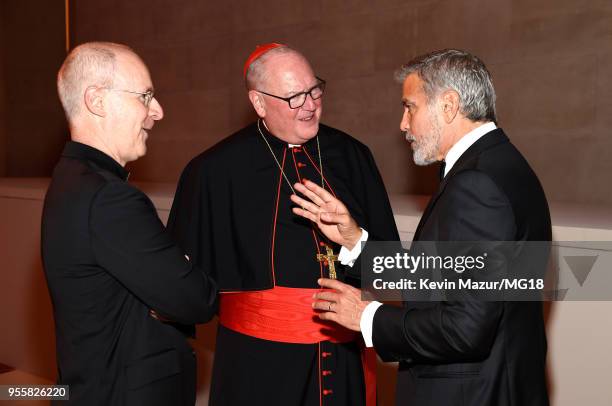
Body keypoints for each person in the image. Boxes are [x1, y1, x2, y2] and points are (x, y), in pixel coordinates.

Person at [291, 49, 551, 405]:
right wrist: (355, 239)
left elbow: (466, 328)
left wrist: (369, 317)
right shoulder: (501, 164)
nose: (402, 124)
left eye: (410, 107)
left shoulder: (477, 183)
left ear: (448, 105)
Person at [167, 43, 399, 406]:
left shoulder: (353, 155)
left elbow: (391, 267)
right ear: (259, 103)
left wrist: (355, 240)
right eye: (294, 96)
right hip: (259, 366)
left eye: (314, 90)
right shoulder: (213, 171)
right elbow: (183, 288)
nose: (310, 104)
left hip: (344, 359)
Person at [42, 42, 218, 406]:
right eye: (145, 96)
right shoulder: (111, 198)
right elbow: (198, 299)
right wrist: (180, 276)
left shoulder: (69, 177)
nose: (158, 111)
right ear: (98, 101)